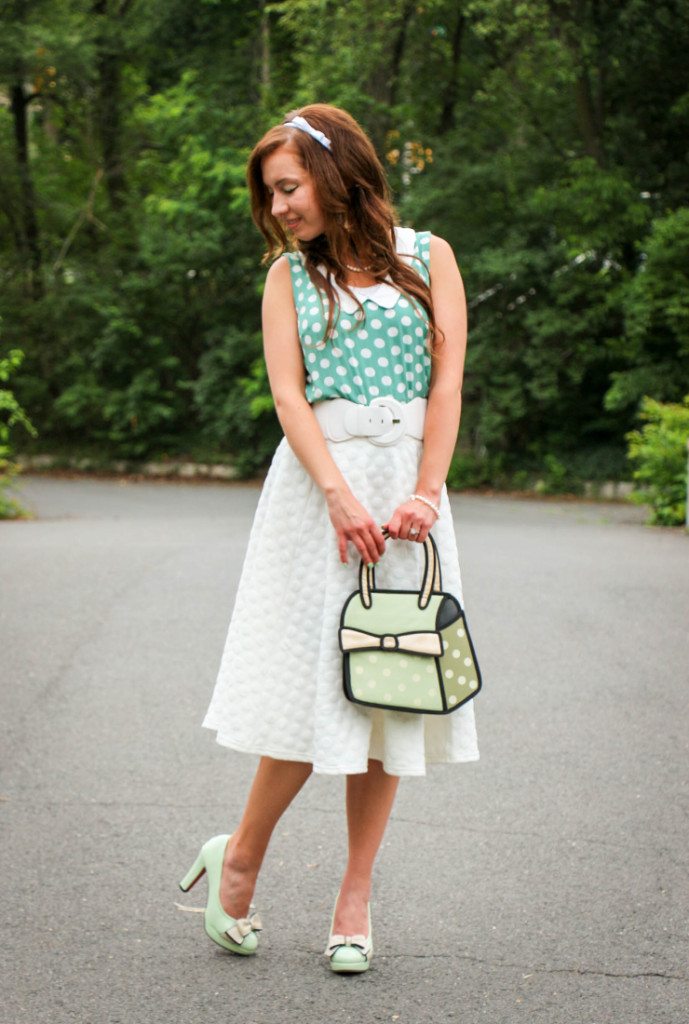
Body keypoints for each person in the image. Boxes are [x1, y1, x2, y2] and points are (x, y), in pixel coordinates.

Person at [179, 103, 479, 974]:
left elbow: (449, 381)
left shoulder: (430, 259)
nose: (278, 208)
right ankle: (238, 855)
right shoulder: (286, 279)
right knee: (320, 685)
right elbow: (288, 398)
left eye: (287, 188)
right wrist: (341, 496)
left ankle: (354, 899)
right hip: (320, 495)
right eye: (269, 195)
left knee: (388, 690)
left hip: (409, 500)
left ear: (337, 170)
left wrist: (425, 491)